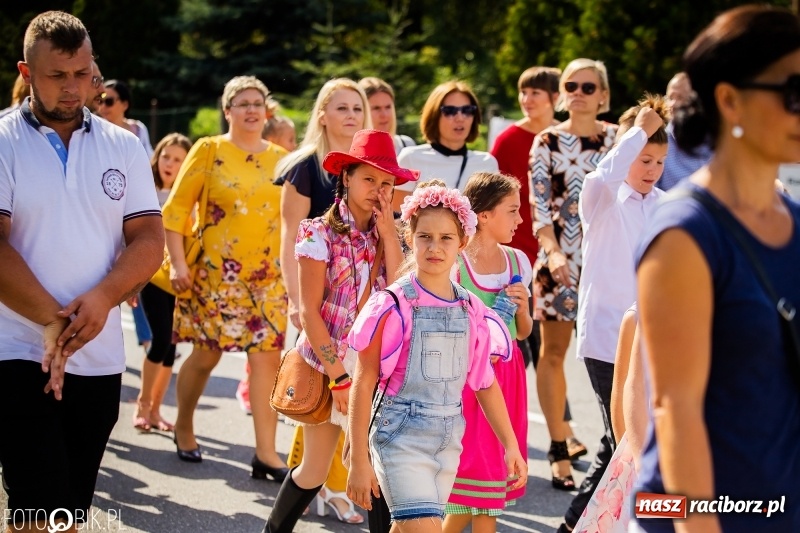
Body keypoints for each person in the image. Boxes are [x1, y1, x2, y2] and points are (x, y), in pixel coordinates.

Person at [634, 5, 800, 532]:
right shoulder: (685, 233)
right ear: (729, 99)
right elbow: (674, 410)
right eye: (792, 93)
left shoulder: (796, 223)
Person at [0, 11, 163, 531]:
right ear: (27, 72)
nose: (74, 89)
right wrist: (53, 321)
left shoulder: (124, 144)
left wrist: (103, 298)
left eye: (84, 74)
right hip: (18, 348)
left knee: (70, 510)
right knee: (34, 503)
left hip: (97, 354)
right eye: (57, 76)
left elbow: (148, 238)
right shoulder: (2, 140)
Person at [345, 181, 527, 533]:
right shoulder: (392, 303)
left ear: (463, 242)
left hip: (448, 441)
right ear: (409, 238)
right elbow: (364, 379)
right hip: (399, 436)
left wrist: (510, 445)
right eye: (424, 236)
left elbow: (483, 383)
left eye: (446, 238)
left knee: (409, 528)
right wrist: (357, 455)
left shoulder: (471, 308)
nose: (435, 247)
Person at [260, 129, 417, 533]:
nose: (379, 190)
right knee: (313, 470)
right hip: (328, 362)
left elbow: (402, 288)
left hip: (376, 365)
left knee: (375, 468)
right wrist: (340, 378)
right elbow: (310, 313)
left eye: (387, 183)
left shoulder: (390, 234)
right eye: (369, 179)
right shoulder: (318, 232)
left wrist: (386, 233)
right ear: (345, 177)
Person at [163, 77, 289, 480]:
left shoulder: (281, 159)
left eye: (258, 103)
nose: (251, 109)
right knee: (206, 356)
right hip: (214, 276)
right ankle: (183, 424)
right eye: (242, 103)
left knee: (267, 361)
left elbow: (292, 219)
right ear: (227, 109)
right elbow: (176, 211)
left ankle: (266, 454)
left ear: (267, 111)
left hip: (268, 280)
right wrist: (178, 264)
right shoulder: (209, 149)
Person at [560, 96, 669, 533]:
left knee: (622, 443)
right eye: (644, 158)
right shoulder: (601, 196)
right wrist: (638, 130)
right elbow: (605, 171)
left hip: (653, 341)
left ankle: (585, 525)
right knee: (621, 443)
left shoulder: (666, 203)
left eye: (660, 160)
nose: (651, 169)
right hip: (606, 339)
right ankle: (579, 525)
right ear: (627, 148)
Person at [273, 78, 372, 522]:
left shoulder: (378, 191)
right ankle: (317, 495)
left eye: (358, 108)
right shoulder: (304, 167)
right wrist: (296, 299)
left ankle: (338, 489)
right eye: (342, 107)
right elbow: (289, 236)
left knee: (374, 462)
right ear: (322, 114)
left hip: (369, 342)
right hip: (322, 308)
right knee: (317, 410)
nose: (351, 115)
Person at [529, 58, 617, 495]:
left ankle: (617, 444)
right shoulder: (545, 141)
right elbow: (539, 209)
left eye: (588, 85)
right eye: (571, 85)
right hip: (558, 264)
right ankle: (559, 447)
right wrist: (553, 254)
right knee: (552, 354)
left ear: (603, 93)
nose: (579, 92)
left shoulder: (620, 139)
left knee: (617, 357)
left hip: (610, 267)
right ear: (561, 92)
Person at [490, 66, 587, 461]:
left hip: (558, 259)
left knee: (549, 350)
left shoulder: (568, 139)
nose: (528, 99)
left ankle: (561, 436)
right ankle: (542, 437)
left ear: (554, 99)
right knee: (523, 350)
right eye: (523, 92)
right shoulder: (508, 139)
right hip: (515, 260)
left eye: (536, 93)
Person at [442, 172, 532, 533]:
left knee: (490, 486)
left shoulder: (517, 262)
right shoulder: (456, 265)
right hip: (470, 380)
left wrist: (523, 310)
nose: (520, 219)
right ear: (484, 216)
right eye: (512, 211)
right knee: (477, 481)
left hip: (509, 376)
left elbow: (522, 333)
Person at [132, 133, 192, 432]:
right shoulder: (145, 189)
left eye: (179, 159)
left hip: (179, 281)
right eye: (167, 156)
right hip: (150, 276)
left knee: (170, 346)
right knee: (160, 339)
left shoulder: (189, 196)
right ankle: (142, 405)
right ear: (157, 157)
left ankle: (155, 411)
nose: (170, 163)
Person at [394, 81, 498, 209]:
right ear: (434, 116)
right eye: (449, 111)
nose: (460, 118)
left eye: (467, 110)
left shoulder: (487, 163)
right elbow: (397, 218)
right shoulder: (410, 158)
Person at [656, 72, 713, 191]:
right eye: (670, 98)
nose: (673, 104)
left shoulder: (717, 140)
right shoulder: (658, 142)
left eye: (680, 98)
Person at [358, 77, 415, 154]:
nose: (384, 115)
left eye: (388, 107)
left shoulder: (406, 145)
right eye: (376, 108)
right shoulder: (350, 150)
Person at [98, 79, 153, 157]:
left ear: (125, 104)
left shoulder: (139, 129)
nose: (102, 107)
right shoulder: (94, 131)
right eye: (100, 101)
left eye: (109, 101)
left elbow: (149, 158)